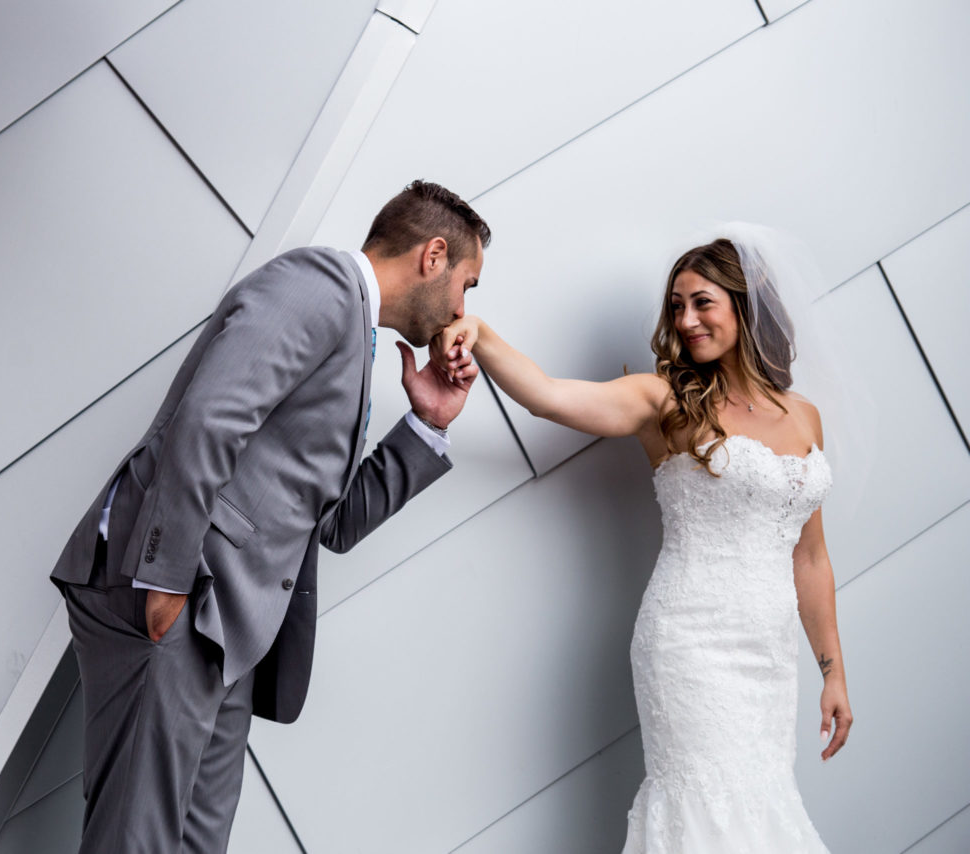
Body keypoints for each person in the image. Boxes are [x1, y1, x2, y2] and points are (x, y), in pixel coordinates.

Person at [49, 180, 490, 853]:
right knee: (134, 843)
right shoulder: (318, 286)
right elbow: (207, 419)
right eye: (468, 283)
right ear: (433, 256)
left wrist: (427, 423)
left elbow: (330, 522)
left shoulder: (354, 332)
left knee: (195, 844)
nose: (463, 308)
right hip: (176, 603)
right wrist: (164, 583)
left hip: (228, 634)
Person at [436, 225, 852, 852]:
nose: (685, 320)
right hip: (690, 646)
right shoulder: (665, 402)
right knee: (707, 814)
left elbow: (811, 558)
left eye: (702, 302)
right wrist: (483, 337)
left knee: (761, 808)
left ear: (744, 306)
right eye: (676, 306)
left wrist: (834, 673)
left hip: (768, 661)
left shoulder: (803, 415)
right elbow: (550, 397)